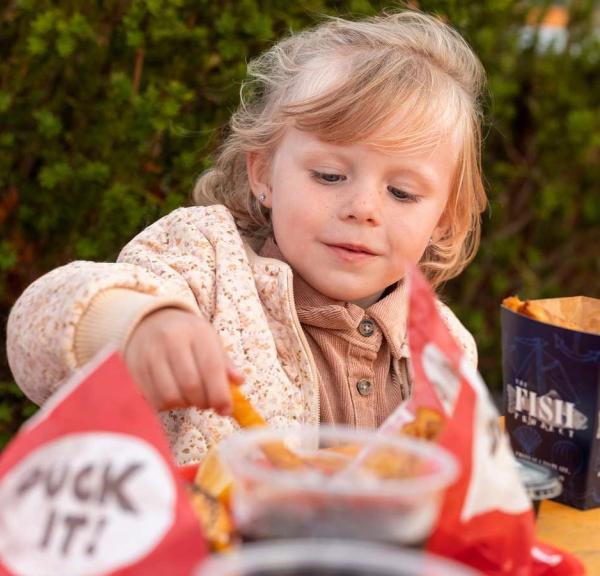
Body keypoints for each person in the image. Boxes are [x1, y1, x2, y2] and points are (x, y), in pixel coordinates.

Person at [7, 10, 487, 464]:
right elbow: (35, 330)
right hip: (197, 547)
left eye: (401, 192)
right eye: (328, 175)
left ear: (446, 218)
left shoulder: (447, 348)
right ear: (264, 174)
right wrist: (138, 324)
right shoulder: (207, 265)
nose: (363, 209)